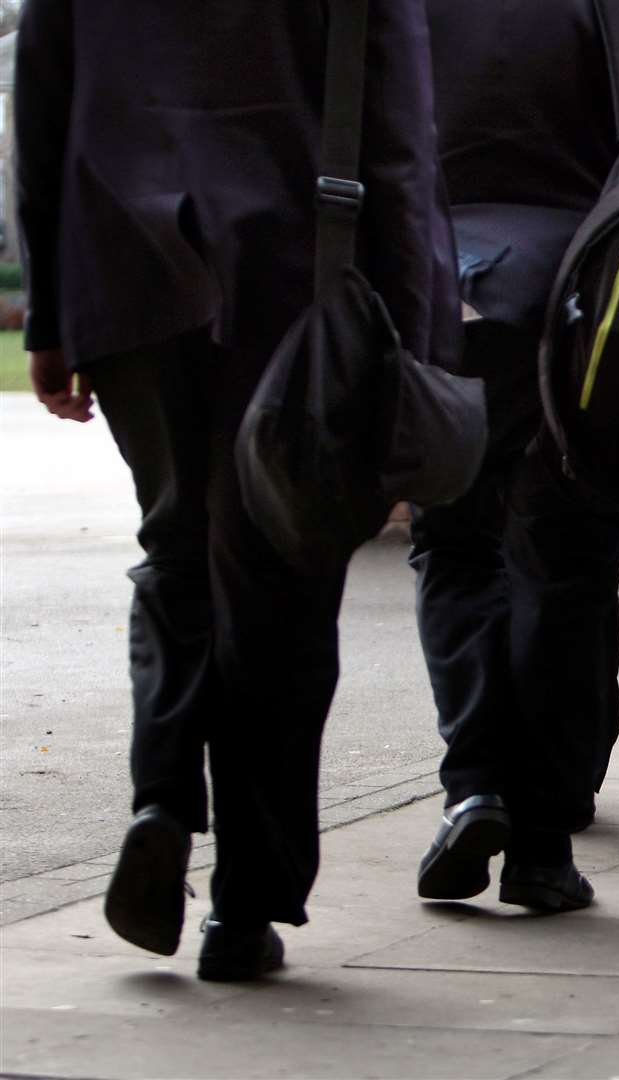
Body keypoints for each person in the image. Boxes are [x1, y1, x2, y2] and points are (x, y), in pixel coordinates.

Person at [14, 1, 458, 979]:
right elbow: (399, 142)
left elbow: (40, 99)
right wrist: (414, 346)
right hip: (295, 271)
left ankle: (163, 799)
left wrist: (50, 313)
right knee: (283, 578)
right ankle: (246, 905)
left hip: (122, 267)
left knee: (175, 542)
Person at [412, 0, 619, 911]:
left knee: (455, 540)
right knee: (571, 561)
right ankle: (544, 846)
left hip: (443, 288)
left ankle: (473, 785)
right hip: (592, 291)